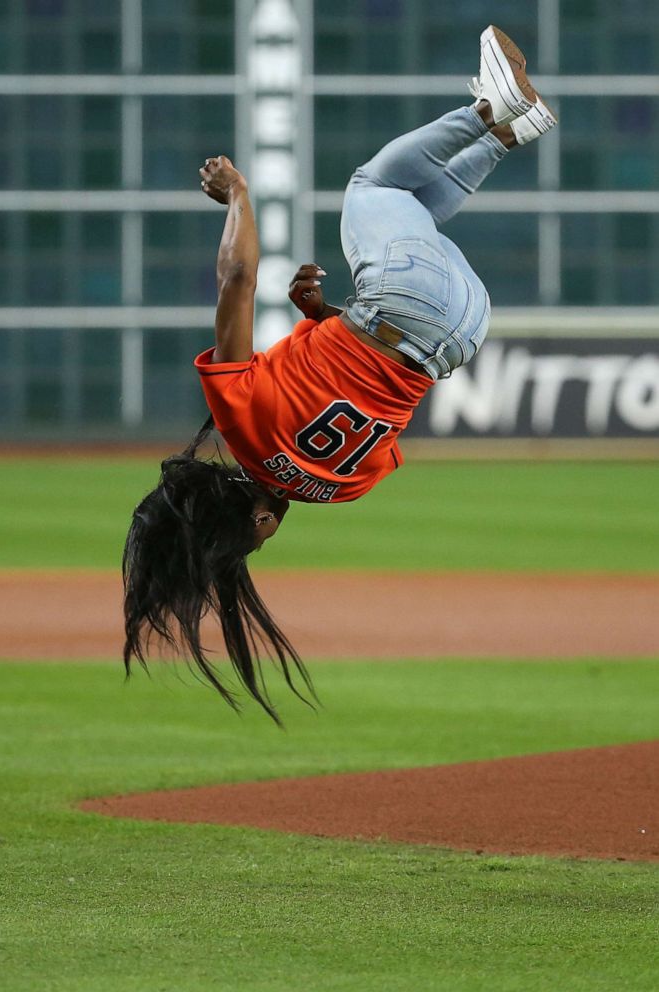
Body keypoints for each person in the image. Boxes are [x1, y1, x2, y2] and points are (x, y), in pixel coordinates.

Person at [123, 26, 557, 722]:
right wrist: (236, 193)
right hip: (400, 306)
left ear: (261, 521)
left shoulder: (340, 491)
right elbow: (237, 276)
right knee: (372, 186)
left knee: (405, 213)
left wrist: (326, 317)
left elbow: (379, 402)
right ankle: (487, 113)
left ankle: (515, 127)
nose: (261, 544)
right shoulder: (235, 417)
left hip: (461, 332)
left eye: (251, 543)